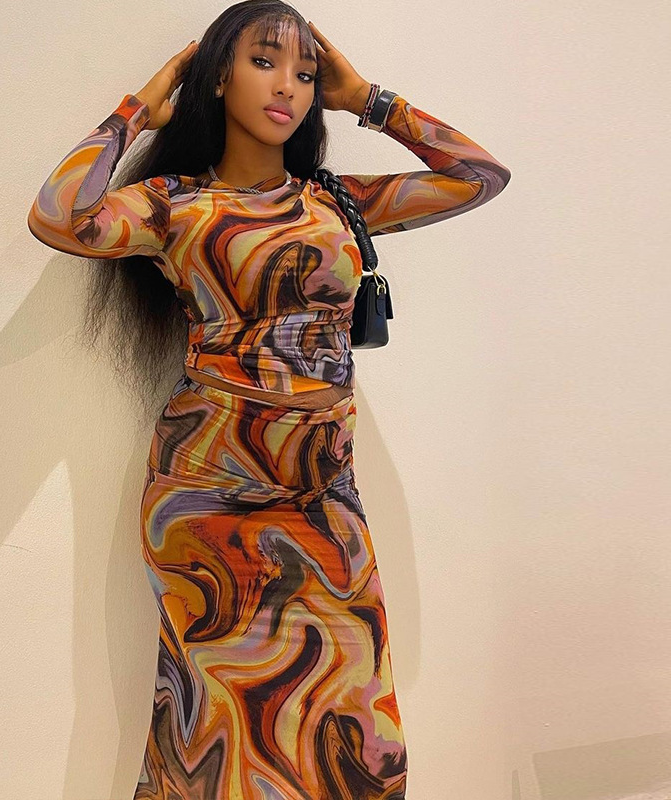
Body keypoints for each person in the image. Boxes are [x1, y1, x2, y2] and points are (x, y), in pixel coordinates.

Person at [27, 2, 510, 797]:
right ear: (218, 77)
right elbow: (59, 215)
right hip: (210, 497)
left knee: (353, 729)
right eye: (264, 61)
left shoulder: (335, 202)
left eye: (305, 72)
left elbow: (479, 176)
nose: (288, 85)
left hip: (322, 495)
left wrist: (368, 99)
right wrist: (139, 109)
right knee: (214, 719)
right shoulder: (173, 204)